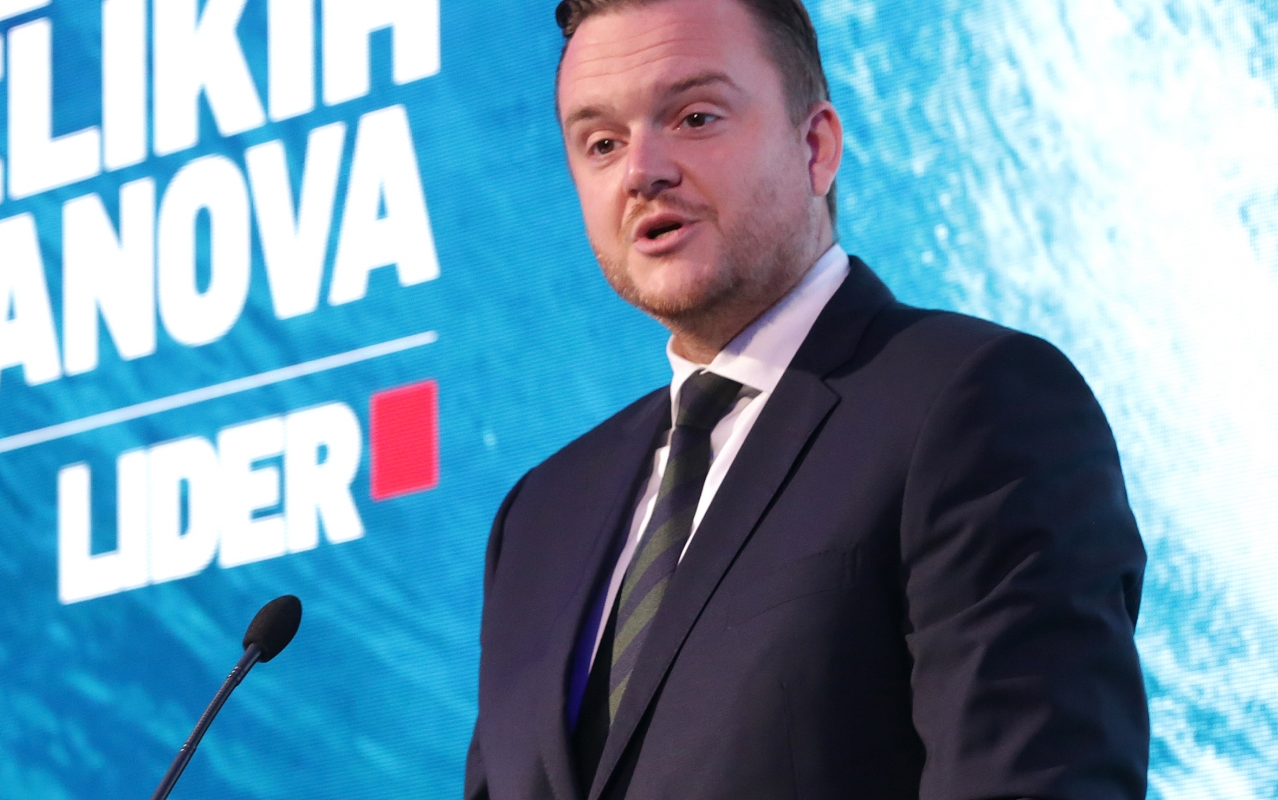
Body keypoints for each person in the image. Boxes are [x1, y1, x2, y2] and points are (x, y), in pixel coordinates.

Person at [464, 1, 1151, 798]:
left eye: (694, 117)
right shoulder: (540, 517)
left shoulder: (976, 403)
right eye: (602, 143)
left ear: (816, 146)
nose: (640, 170)